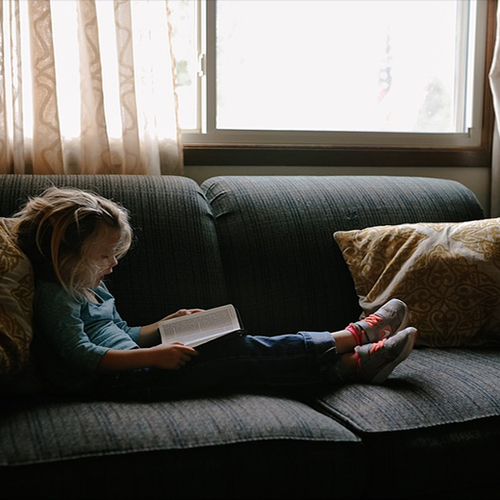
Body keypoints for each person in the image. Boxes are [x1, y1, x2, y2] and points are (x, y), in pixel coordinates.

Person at [12, 186, 417, 401]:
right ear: (65, 253)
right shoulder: (56, 296)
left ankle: (352, 365)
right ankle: (351, 338)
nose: (112, 266)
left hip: (139, 364)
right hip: (123, 382)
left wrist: (163, 327)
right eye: (103, 256)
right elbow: (81, 355)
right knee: (234, 352)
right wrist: (156, 355)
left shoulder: (90, 286)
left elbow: (123, 332)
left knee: (236, 348)